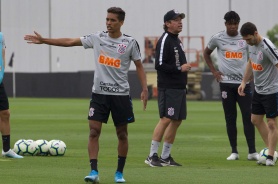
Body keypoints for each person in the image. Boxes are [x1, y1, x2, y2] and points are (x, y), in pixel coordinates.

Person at [24, 7, 148, 183]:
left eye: (113, 20)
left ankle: (119, 173)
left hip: (120, 95)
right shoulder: (97, 38)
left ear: (121, 22)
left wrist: (144, 89)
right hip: (99, 95)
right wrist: (45, 41)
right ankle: (94, 172)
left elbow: (139, 66)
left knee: (122, 135)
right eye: (107, 19)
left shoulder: (129, 43)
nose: (108, 23)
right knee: (93, 131)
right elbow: (70, 41)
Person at [203, 11, 258, 161]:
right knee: (230, 117)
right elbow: (206, 53)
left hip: (243, 84)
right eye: (230, 24)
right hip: (226, 84)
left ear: (238, 24)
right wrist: (214, 71)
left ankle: (252, 151)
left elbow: (253, 54)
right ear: (225, 24)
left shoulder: (244, 37)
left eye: (235, 24)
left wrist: (252, 72)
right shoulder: (218, 38)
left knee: (249, 117)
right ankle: (234, 151)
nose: (233, 27)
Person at [145, 9, 191, 167]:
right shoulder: (165, 39)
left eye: (180, 19)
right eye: (176, 20)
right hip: (168, 87)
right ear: (167, 23)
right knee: (165, 119)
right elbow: (158, 64)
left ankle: (165, 156)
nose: (180, 22)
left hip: (179, 87)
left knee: (177, 120)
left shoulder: (177, 40)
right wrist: (180, 69)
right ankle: (152, 155)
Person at [238, 22, 278, 166]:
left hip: (272, 90)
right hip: (259, 89)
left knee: (271, 123)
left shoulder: (267, 46)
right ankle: (272, 151)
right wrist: (244, 82)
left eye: (249, 39)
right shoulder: (251, 46)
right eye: (245, 40)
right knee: (255, 120)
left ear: (256, 34)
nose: (247, 42)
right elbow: (251, 63)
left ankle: (270, 157)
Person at [0, 32, 23, 159]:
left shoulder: (1, 36)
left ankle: (6, 149)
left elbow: (2, 56)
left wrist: (1, 74)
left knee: (5, 113)